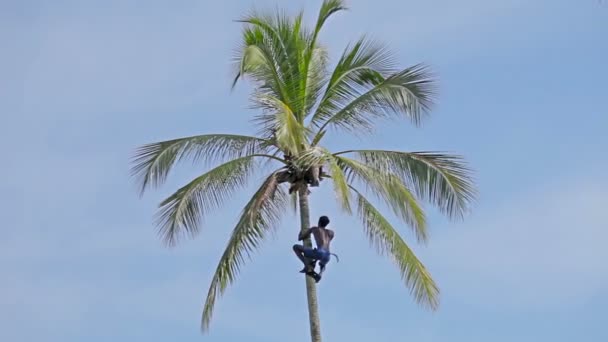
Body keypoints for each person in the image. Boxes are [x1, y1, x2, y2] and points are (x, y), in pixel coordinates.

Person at [292, 215, 335, 283]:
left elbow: (300, 238)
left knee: (295, 247)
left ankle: (306, 265)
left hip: (319, 252)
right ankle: (320, 274)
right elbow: (325, 248)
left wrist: (301, 231)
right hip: (328, 256)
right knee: (322, 264)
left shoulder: (314, 229)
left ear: (319, 222)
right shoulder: (331, 233)